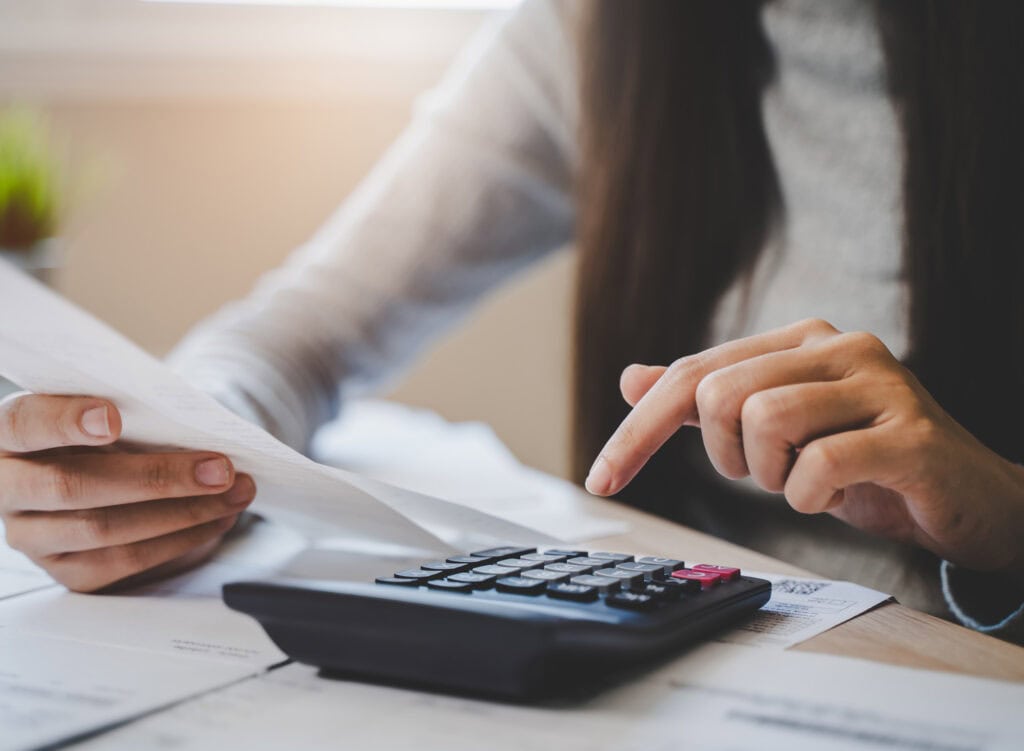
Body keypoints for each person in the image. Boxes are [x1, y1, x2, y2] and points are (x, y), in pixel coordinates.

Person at [1, 0, 1022, 642]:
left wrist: (1006, 517)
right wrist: (174, 463)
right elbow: (297, 334)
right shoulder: (595, 30)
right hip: (693, 675)